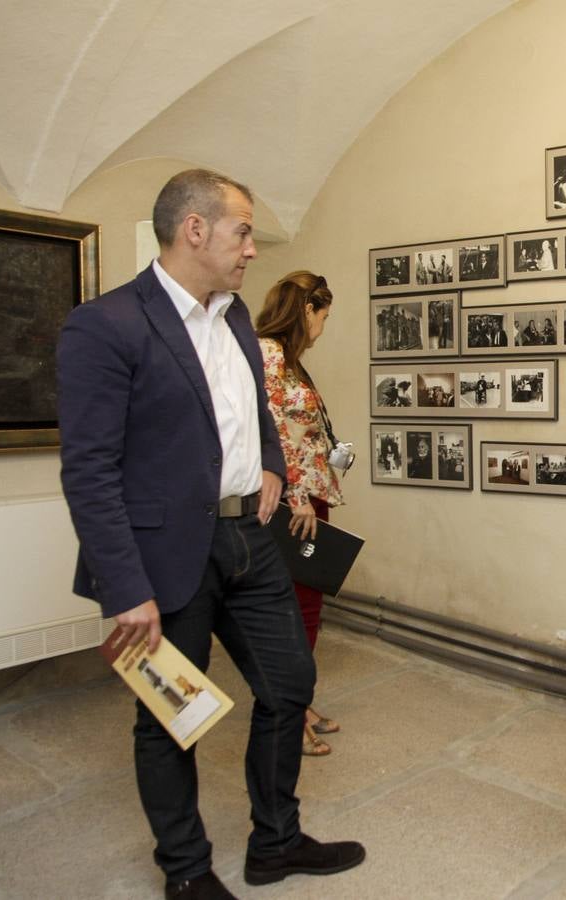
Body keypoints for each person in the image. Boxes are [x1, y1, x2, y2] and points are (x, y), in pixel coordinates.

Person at [56, 169, 364, 899]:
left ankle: (276, 844)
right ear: (195, 229)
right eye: (243, 231)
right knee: (171, 717)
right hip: (163, 555)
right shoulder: (106, 325)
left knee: (290, 685)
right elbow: (89, 471)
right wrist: (126, 589)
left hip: (249, 539)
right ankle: (186, 870)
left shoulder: (232, 317)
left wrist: (268, 465)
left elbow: (250, 406)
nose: (253, 248)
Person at [255, 270, 346, 758]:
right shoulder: (268, 355)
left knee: (305, 608)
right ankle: (287, 716)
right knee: (295, 609)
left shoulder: (289, 361)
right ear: (307, 310)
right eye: (324, 316)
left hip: (310, 497)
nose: (324, 327)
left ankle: (299, 703)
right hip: (295, 504)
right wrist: (295, 497)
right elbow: (264, 430)